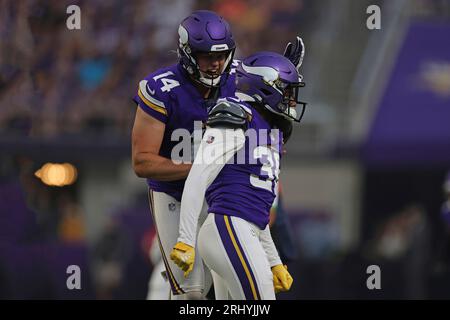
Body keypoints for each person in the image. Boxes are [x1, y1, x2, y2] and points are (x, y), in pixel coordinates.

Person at [170, 51, 307, 299]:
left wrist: (273, 260)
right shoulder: (237, 114)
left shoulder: (268, 129)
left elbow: (257, 211)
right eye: (288, 91)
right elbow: (198, 177)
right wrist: (185, 239)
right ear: (267, 88)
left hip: (242, 230)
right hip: (229, 228)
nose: (293, 101)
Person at [131, 10, 237, 299]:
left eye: (221, 55)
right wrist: (201, 168)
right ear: (188, 53)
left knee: (232, 283)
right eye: (206, 56)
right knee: (190, 292)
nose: (216, 64)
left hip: (220, 195)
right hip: (174, 194)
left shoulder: (239, 79)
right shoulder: (162, 88)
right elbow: (142, 161)